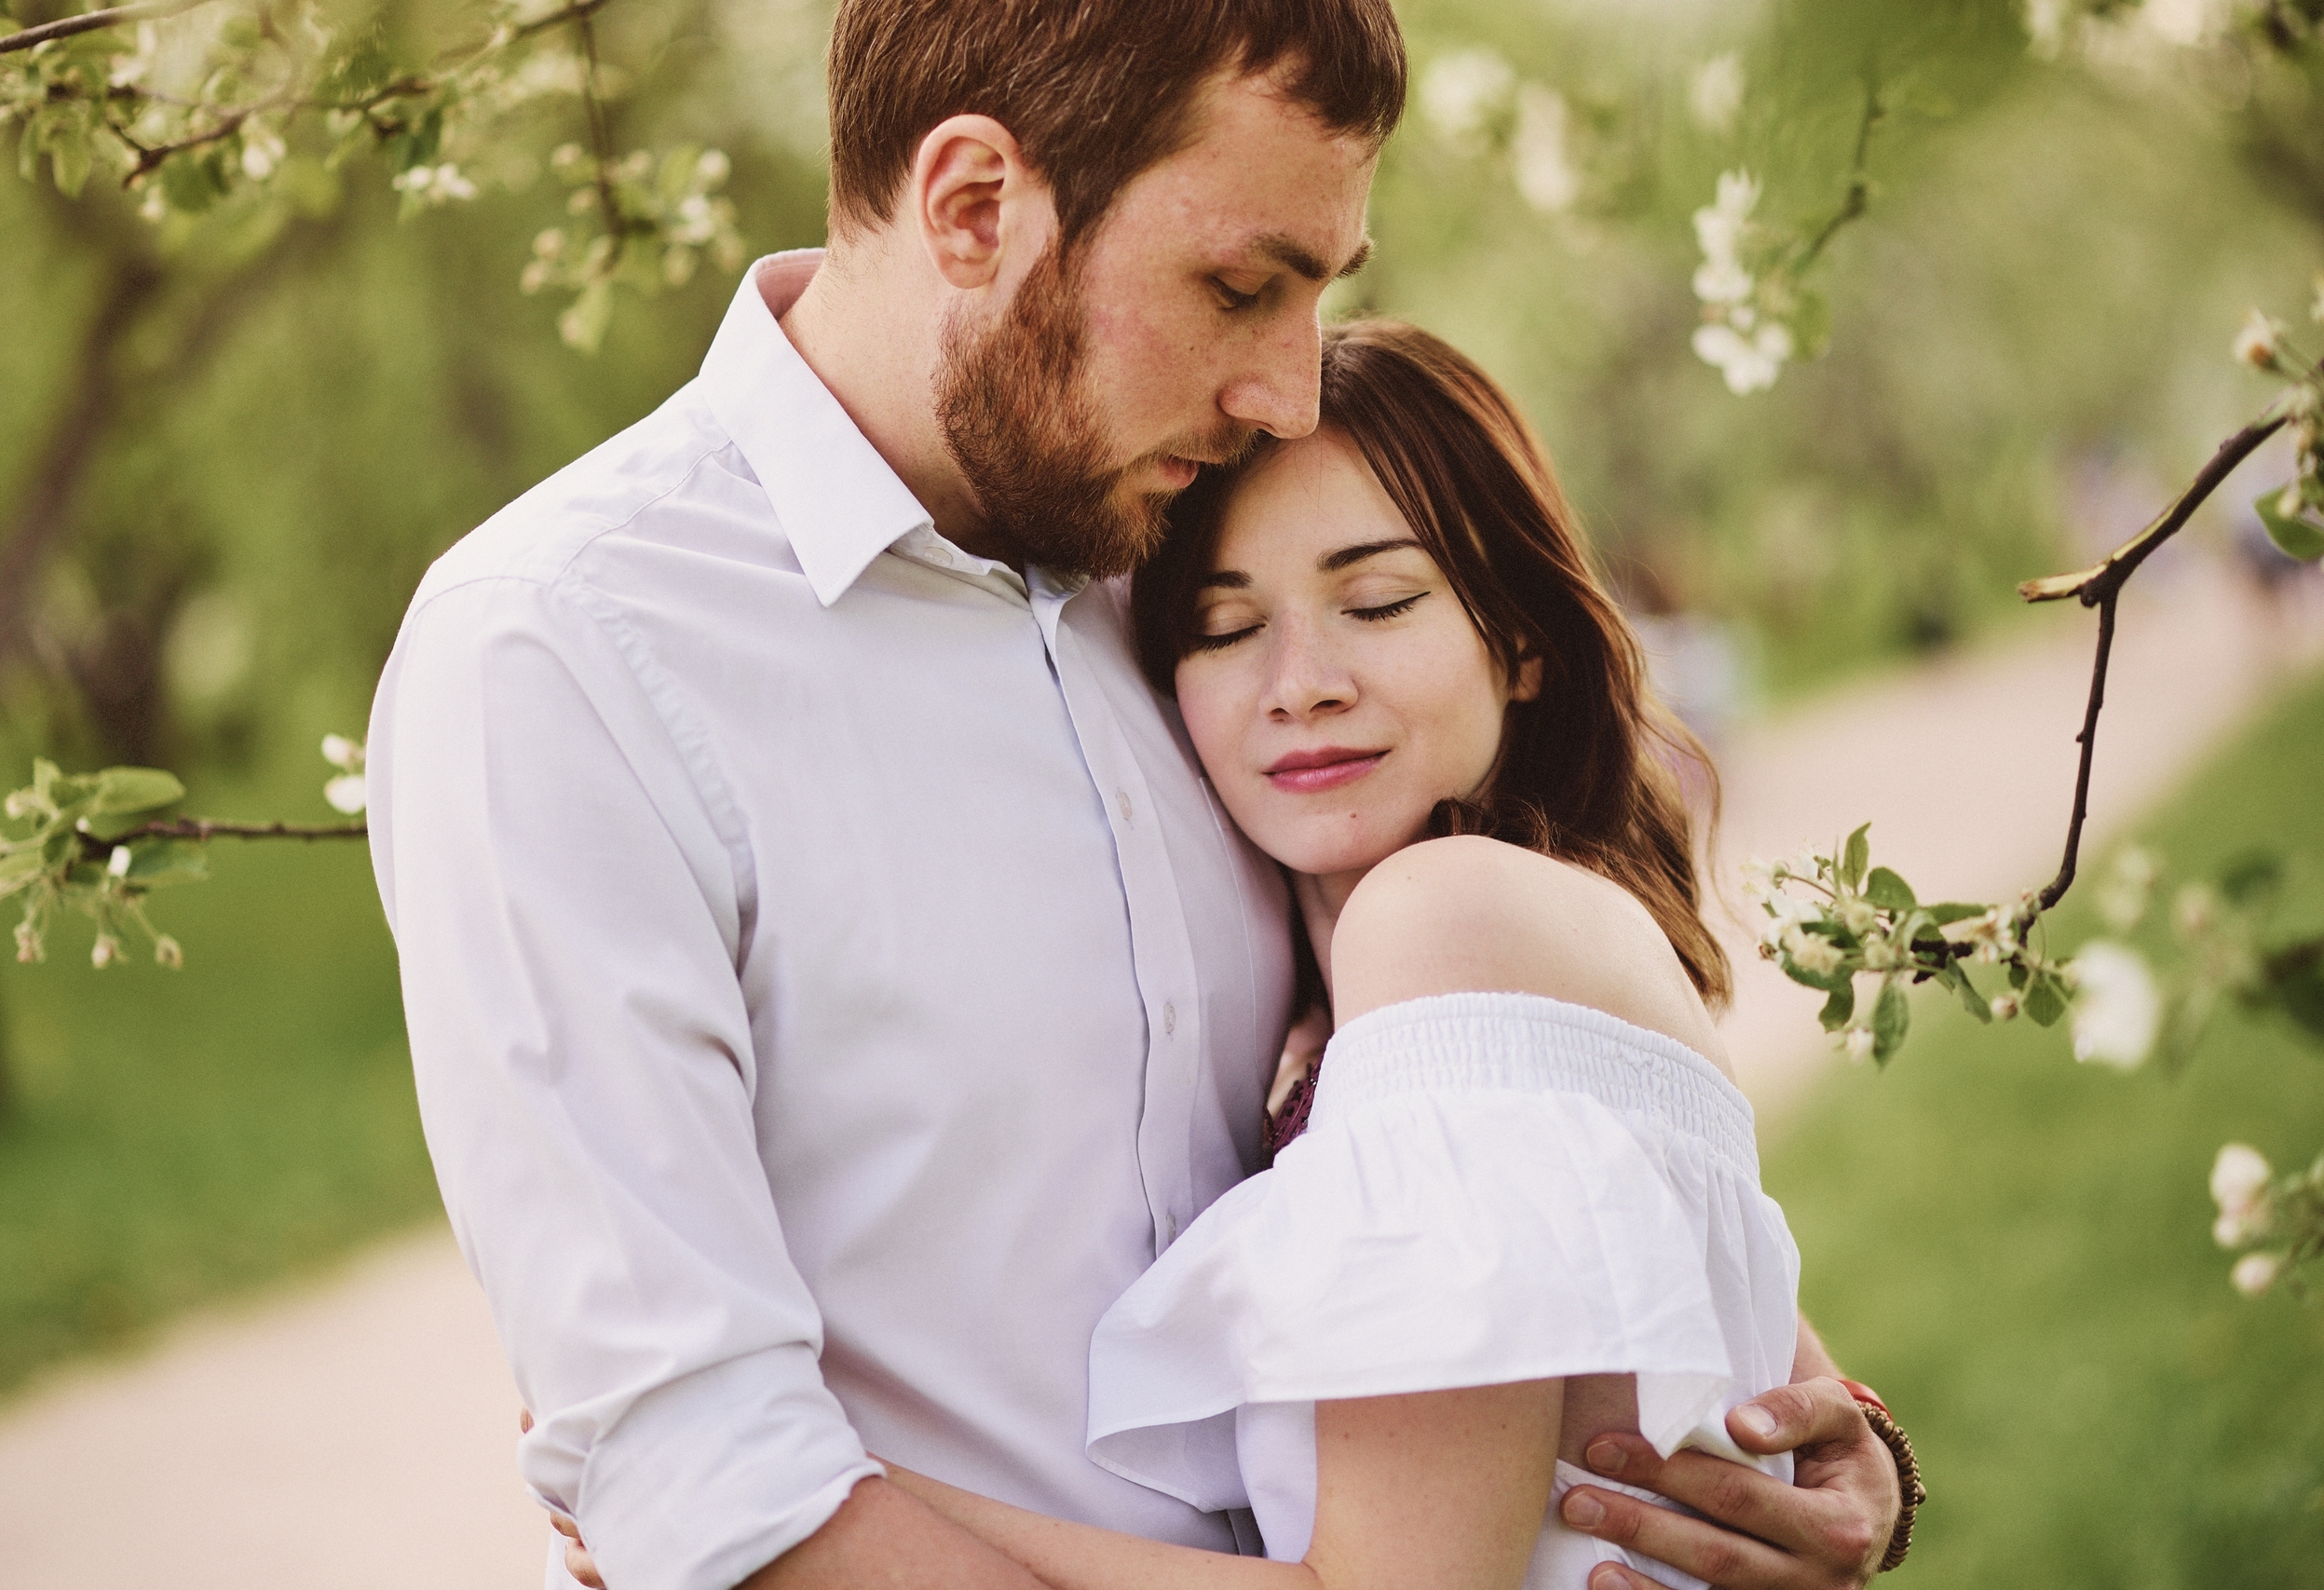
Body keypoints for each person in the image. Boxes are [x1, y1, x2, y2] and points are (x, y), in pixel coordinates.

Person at [368, 3, 1901, 1586]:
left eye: (1320, 294)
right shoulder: (565, 654)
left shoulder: (1199, 577)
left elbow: (1502, 1093)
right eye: (1240, 289)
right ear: (975, 206)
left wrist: (1809, 1423)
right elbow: (709, 1484)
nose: (1288, 394)